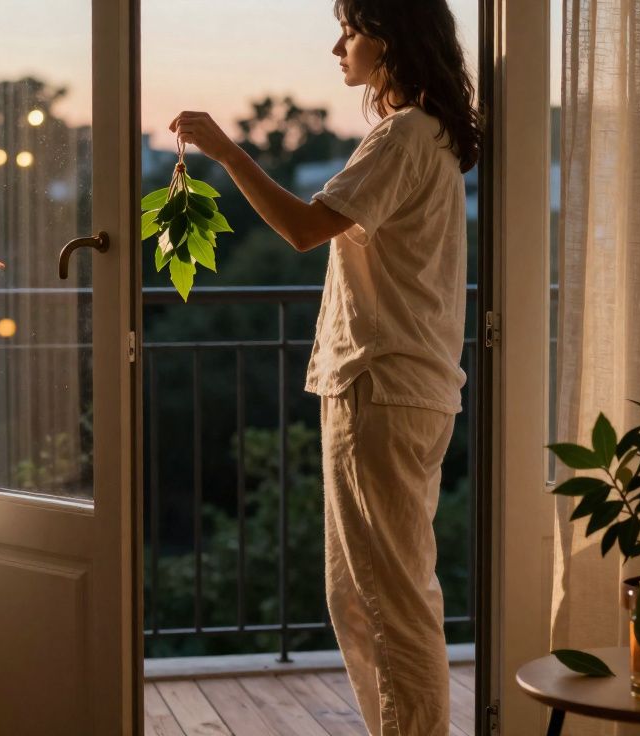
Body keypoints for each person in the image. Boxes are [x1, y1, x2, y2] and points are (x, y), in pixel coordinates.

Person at [170, 0, 481, 732]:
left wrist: (226, 151)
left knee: (389, 599)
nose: (337, 46)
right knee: (367, 595)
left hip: (380, 385)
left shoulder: (404, 136)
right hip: (399, 386)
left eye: (350, 29)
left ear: (391, 38)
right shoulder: (420, 134)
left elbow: (307, 229)